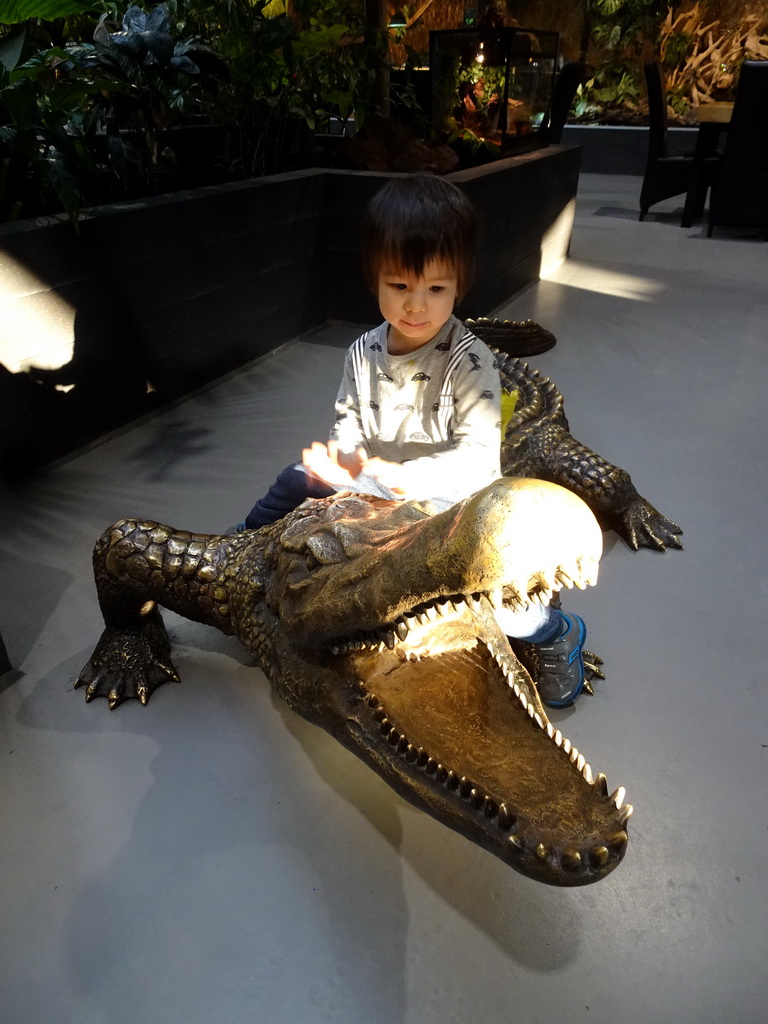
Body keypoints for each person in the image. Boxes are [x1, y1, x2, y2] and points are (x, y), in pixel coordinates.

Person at [232, 173, 589, 707]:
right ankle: (241, 548)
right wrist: (343, 457)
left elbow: (475, 462)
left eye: (436, 289)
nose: (416, 306)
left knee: (481, 593)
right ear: (374, 278)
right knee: (294, 479)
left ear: (460, 286)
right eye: (399, 286)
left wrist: (402, 477)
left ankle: (555, 632)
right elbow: (349, 419)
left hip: (450, 503)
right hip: (375, 484)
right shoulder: (361, 351)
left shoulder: (471, 362)